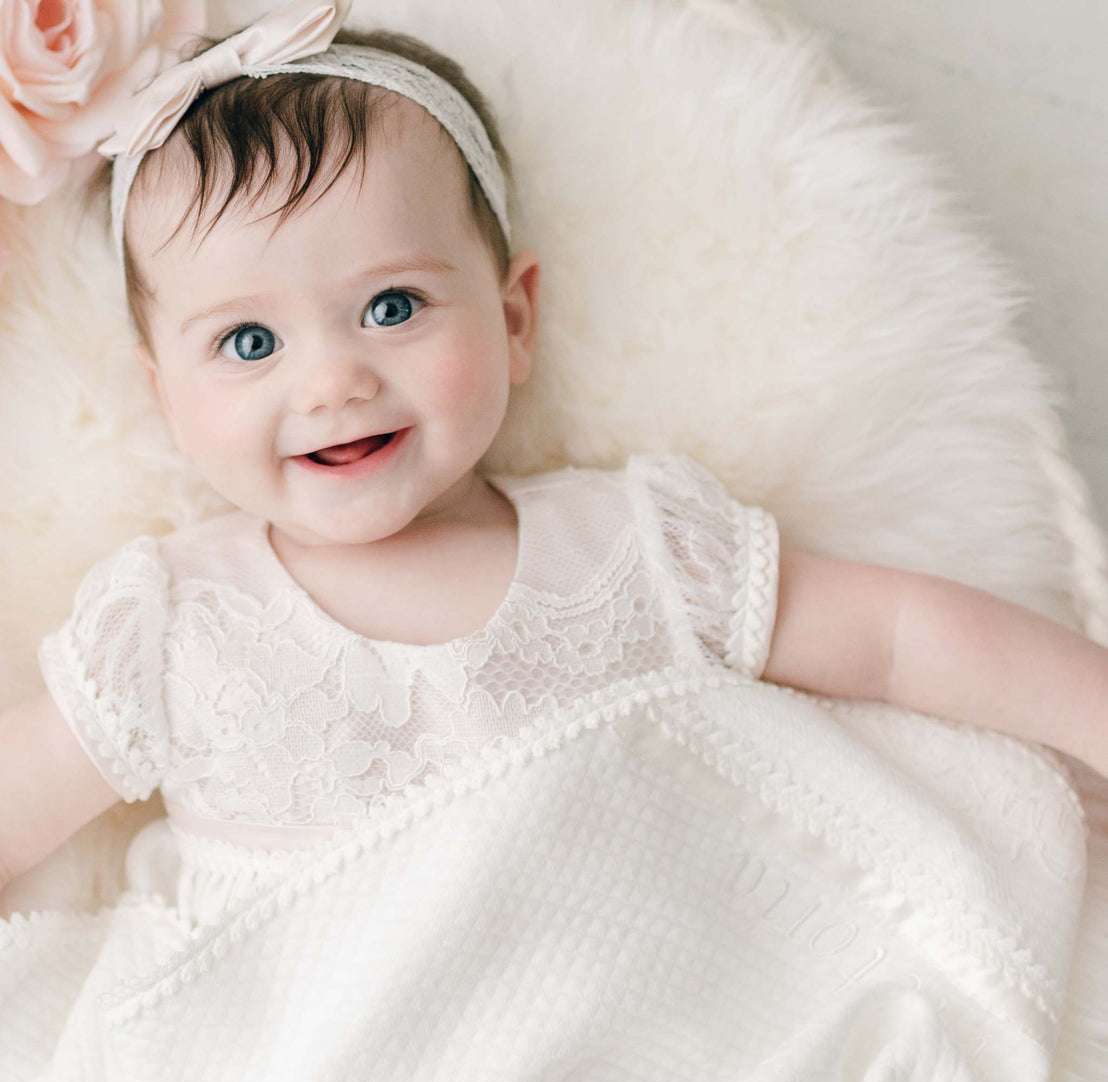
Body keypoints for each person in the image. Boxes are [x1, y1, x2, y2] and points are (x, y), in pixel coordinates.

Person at [0, 0, 1105, 931]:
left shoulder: (640, 546)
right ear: (163, 396)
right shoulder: (173, 620)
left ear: (516, 317)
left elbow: (895, 639)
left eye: (393, 306)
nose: (333, 380)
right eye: (251, 343)